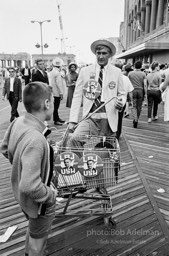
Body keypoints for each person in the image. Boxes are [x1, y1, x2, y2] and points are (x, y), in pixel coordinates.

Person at [0, 81, 58, 256]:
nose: (53, 105)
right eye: (53, 102)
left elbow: (4, 148)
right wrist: (51, 195)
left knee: (33, 233)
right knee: (37, 246)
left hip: (23, 199)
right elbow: (30, 186)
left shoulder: (19, 121)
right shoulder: (36, 139)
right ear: (47, 103)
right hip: (39, 203)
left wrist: (22, 163)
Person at [68, 38, 126, 137]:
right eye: (98, 53)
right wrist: (73, 120)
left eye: (104, 53)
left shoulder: (117, 72)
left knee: (106, 148)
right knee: (74, 139)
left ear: (110, 55)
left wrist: (121, 101)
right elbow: (77, 96)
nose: (101, 56)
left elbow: (122, 93)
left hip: (109, 117)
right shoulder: (85, 71)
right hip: (89, 116)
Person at [115, 63, 134, 140]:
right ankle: (117, 135)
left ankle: (109, 136)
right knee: (119, 119)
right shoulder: (125, 78)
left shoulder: (111, 77)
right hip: (122, 103)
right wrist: (131, 101)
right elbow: (130, 91)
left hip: (111, 102)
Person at [128, 60, 146, 128]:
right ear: (141, 66)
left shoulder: (130, 73)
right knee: (139, 107)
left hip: (132, 90)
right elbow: (145, 85)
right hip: (140, 91)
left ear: (134, 66)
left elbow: (128, 83)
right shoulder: (143, 74)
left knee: (133, 106)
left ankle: (135, 119)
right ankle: (136, 118)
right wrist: (145, 93)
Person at [49, 57, 65, 125]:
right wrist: (61, 93)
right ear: (60, 66)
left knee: (55, 106)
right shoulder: (58, 73)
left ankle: (57, 118)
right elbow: (59, 84)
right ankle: (56, 120)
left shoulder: (51, 72)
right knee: (56, 107)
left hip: (53, 92)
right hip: (57, 93)